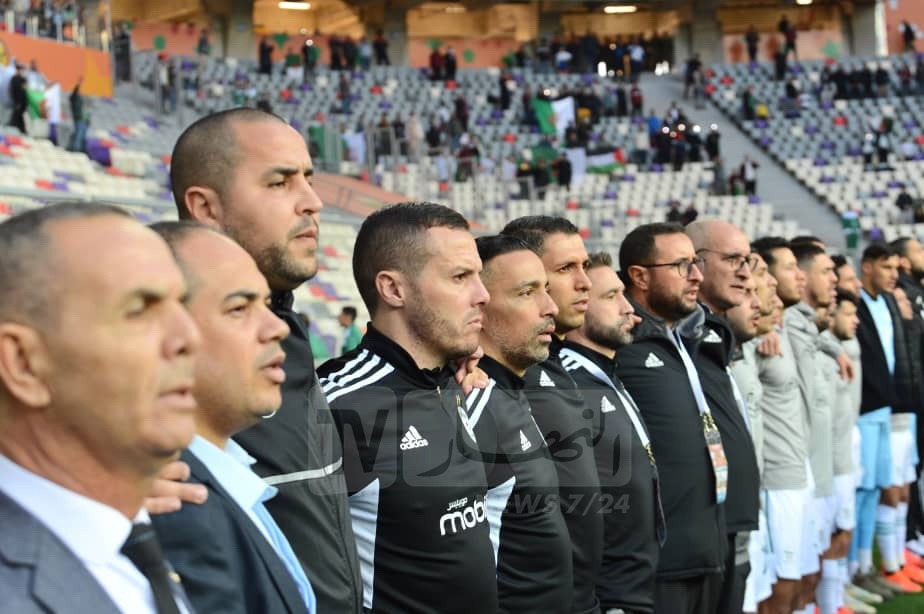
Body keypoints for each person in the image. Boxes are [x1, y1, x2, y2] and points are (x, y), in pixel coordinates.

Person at [170, 108, 363, 613]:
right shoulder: (157, 349)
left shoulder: (286, 325)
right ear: (205, 207)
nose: (313, 201)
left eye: (309, 178)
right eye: (280, 182)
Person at [0, 202, 200, 613]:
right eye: (139, 310)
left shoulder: (129, 540)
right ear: (23, 363)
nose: (190, 337)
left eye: (182, 304)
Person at [318, 203, 497, 613]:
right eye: (460, 277)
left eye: (479, 277)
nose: (482, 295)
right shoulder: (338, 404)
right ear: (394, 289)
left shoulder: (452, 383)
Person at [149, 222, 316, 614]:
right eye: (239, 308)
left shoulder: (217, 473)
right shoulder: (173, 504)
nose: (277, 327)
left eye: (267, 305)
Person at [615, 222, 724, 614]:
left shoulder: (679, 335)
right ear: (640, 276)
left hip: (704, 544)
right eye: (681, 265)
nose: (696, 276)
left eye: (696, 262)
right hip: (659, 560)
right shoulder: (620, 343)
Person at [500, 216, 604, 614]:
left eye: (584, 266)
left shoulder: (555, 363)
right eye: (565, 269)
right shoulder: (494, 377)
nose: (585, 282)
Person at [466, 234, 573, 612]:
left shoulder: (512, 391)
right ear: (478, 306)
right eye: (527, 293)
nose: (550, 307)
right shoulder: (469, 404)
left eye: (546, 290)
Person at [561, 251, 665, 614]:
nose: (628, 308)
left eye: (623, 294)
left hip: (639, 582)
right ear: (578, 305)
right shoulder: (567, 385)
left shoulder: (606, 374)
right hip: (607, 593)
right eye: (611, 297)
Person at [686, 220, 761, 614]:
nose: (745, 271)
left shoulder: (718, 331)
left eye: (746, 260)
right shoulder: (679, 335)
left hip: (735, 514)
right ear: (695, 263)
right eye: (732, 259)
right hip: (705, 524)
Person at [853, 244, 917, 592]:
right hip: (868, 409)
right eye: (886, 267)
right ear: (867, 266)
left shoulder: (889, 302)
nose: (894, 275)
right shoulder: (855, 303)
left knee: (884, 488)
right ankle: (863, 568)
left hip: (893, 405)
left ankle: (876, 564)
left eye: (895, 267)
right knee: (871, 491)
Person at [67, 78, 88, 153]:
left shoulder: (80, 100)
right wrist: (78, 84)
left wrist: (88, 120)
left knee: (82, 135)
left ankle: (81, 149)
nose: (80, 92)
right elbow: (74, 92)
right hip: (79, 119)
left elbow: (85, 111)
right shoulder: (74, 99)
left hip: (84, 120)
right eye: (79, 91)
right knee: (79, 134)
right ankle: (76, 149)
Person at [8, 63, 26, 134]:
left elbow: (25, 90)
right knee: (17, 115)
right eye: (20, 70)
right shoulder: (14, 79)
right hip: (16, 101)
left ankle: (21, 129)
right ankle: (18, 129)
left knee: (19, 115)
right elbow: (12, 90)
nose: (21, 71)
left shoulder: (23, 79)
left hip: (22, 102)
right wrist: (15, 100)